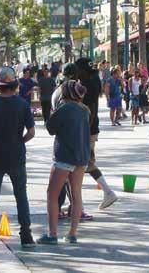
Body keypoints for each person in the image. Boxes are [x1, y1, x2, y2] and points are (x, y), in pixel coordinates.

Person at [0, 67, 36, 248]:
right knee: (21, 195)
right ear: (15, 85)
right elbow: (31, 132)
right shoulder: (23, 104)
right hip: (17, 155)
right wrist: (20, 141)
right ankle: (26, 234)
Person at [37, 80, 90, 245]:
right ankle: (72, 233)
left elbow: (50, 128)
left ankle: (52, 234)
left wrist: (52, 112)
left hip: (64, 157)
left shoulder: (64, 108)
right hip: (81, 158)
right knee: (76, 195)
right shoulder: (85, 110)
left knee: (51, 194)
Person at [75, 58, 118, 210]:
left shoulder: (89, 84)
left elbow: (91, 108)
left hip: (87, 129)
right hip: (89, 128)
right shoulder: (91, 80)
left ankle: (76, 202)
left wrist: (85, 130)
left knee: (77, 165)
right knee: (86, 163)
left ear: (83, 71)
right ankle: (106, 192)